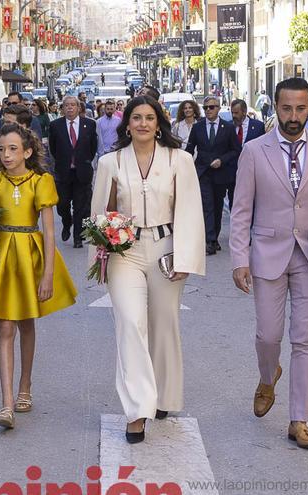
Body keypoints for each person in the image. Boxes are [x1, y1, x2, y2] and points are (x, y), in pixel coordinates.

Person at [230, 78, 308, 450]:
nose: (293, 117)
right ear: (275, 108)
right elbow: (241, 209)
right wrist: (239, 258)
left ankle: (299, 419)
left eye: (300, 108)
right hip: (267, 253)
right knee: (267, 336)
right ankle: (268, 376)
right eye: (286, 108)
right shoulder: (253, 151)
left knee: (305, 339)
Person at [90, 95, 205, 443]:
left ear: (159, 123)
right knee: (129, 321)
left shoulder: (179, 160)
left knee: (164, 323)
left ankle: (165, 397)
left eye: (149, 118)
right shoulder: (111, 162)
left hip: (166, 246)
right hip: (124, 250)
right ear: (127, 123)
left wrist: (185, 257)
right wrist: (102, 249)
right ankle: (138, 409)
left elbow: (190, 209)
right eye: (136, 117)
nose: (142, 123)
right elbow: (99, 211)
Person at [0, 123, 77, 429]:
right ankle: (7, 402)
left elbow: (49, 232)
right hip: (1, 255)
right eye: (1, 149)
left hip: (29, 255)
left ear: (27, 151)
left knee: (26, 322)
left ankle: (26, 384)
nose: (6, 155)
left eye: (13, 149)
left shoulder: (41, 181)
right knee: (5, 326)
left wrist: (48, 274)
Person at [185, 96, 242, 255]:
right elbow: (190, 149)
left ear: (218, 108)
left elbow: (236, 150)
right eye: (206, 108)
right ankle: (209, 241)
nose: (208, 110)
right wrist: (182, 165)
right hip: (203, 172)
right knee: (207, 206)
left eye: (211, 107)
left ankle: (214, 238)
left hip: (221, 174)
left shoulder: (228, 127)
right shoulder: (198, 127)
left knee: (217, 207)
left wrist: (222, 160)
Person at [48, 95, 98, 248]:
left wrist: (82, 161)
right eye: (66, 105)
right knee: (62, 204)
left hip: (82, 172)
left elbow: (92, 147)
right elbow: (53, 148)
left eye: (72, 105)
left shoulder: (89, 124)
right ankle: (66, 221)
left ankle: (77, 237)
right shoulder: (55, 125)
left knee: (80, 206)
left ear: (78, 107)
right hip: (64, 172)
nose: (69, 107)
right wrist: (65, 161)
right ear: (62, 109)